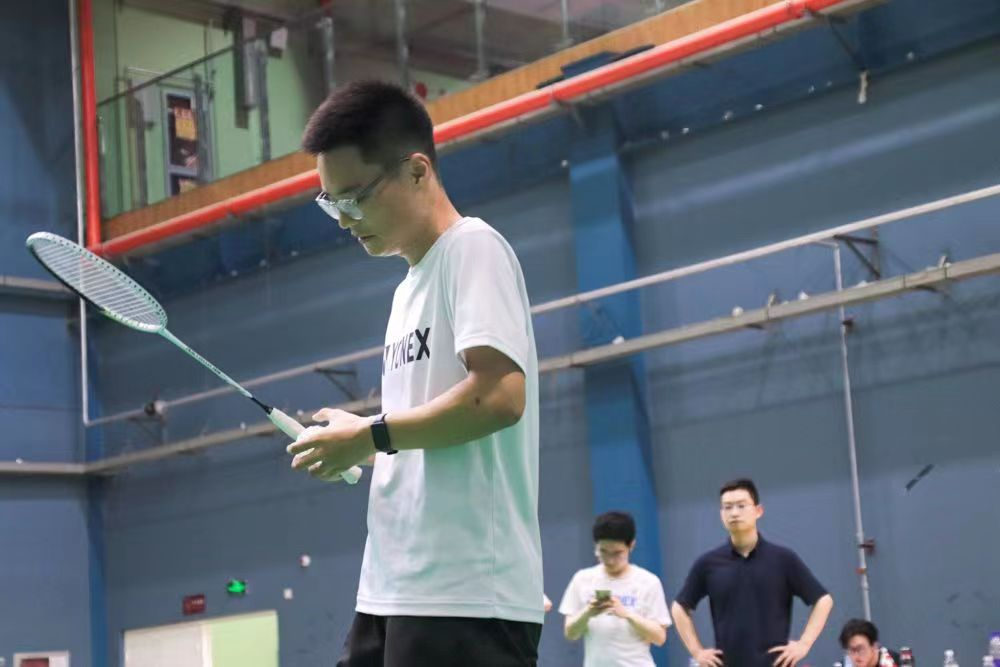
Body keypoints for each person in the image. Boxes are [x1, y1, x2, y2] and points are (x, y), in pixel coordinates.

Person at [287, 80, 544, 666]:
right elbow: (425, 434)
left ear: (417, 171)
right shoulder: (408, 288)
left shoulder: (472, 248)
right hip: (391, 588)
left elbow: (500, 397)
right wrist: (358, 440)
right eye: (331, 203)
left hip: (466, 597)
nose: (344, 220)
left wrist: (372, 434)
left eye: (355, 197)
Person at [670, 479, 834, 667]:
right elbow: (679, 608)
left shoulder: (782, 559)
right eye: (727, 507)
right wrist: (697, 651)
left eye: (741, 506)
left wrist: (804, 644)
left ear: (758, 511)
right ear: (721, 514)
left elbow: (824, 600)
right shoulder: (708, 564)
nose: (734, 513)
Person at [559, 511, 671, 667]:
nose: (610, 560)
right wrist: (588, 612)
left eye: (617, 553)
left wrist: (627, 615)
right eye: (603, 552)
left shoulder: (648, 582)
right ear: (596, 546)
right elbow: (570, 634)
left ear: (631, 546)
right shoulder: (582, 579)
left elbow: (659, 637)